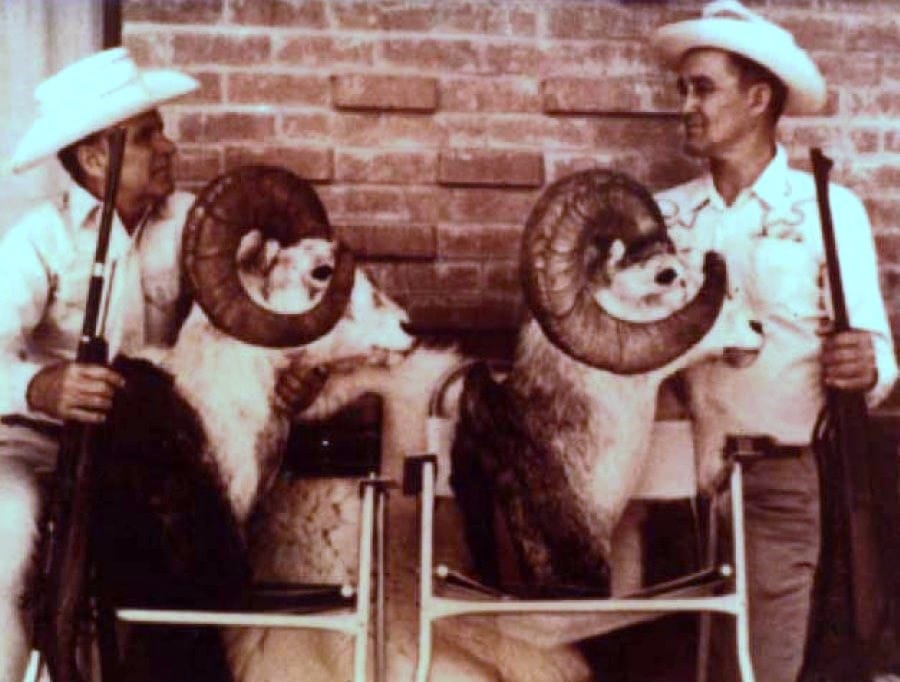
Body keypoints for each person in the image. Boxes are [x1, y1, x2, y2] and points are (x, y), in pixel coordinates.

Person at [0, 47, 324, 682]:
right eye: (147, 136)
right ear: (95, 159)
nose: (169, 147)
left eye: (160, 130)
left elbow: (265, 313)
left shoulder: (197, 228)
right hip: (42, 444)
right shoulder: (39, 240)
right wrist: (39, 387)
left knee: (192, 571)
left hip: (155, 454)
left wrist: (289, 379)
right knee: (7, 535)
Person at [649, 2, 898, 680]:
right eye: (683, 89)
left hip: (777, 478)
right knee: (666, 663)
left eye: (703, 88)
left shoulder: (827, 209)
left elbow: (877, 358)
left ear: (758, 98)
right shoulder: (664, 216)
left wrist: (863, 365)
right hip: (666, 485)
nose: (686, 106)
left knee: (761, 667)